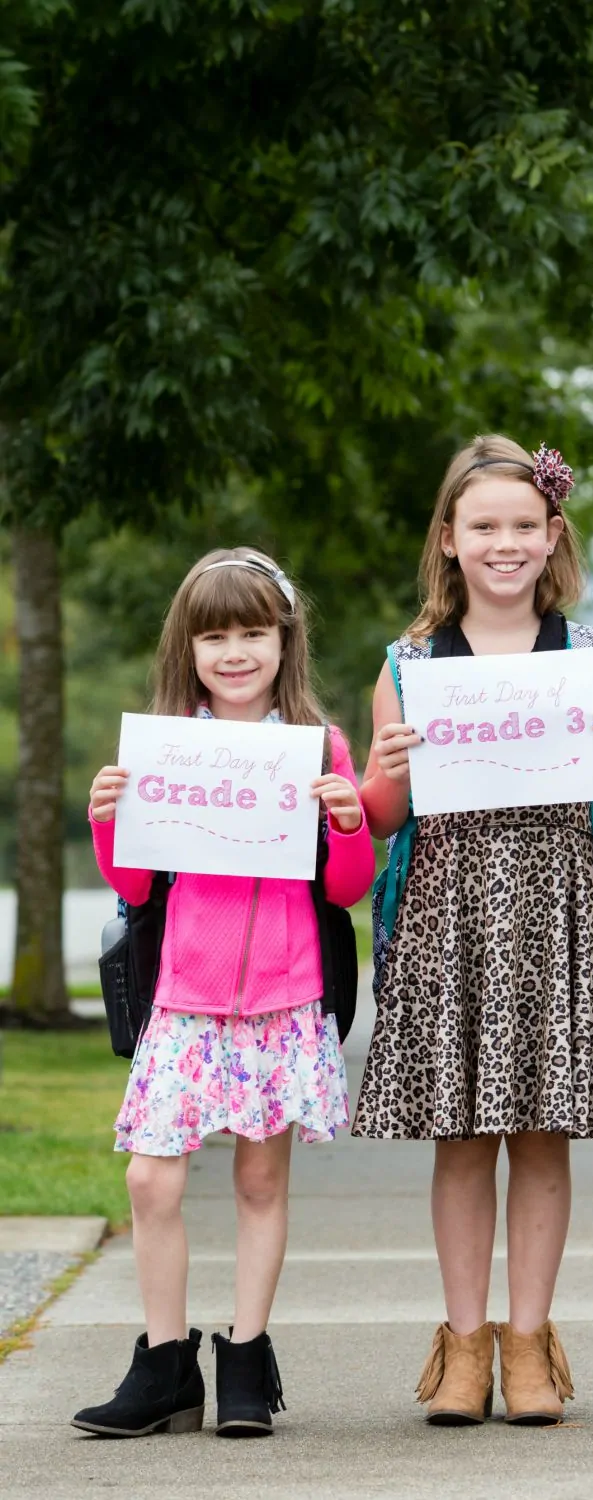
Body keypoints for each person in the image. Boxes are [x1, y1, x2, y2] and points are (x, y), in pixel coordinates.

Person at [353, 435, 593, 1426]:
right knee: (463, 1138)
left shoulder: (592, 656)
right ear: (449, 539)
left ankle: (529, 1345)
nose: (505, 543)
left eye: (524, 526)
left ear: (551, 535)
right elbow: (382, 817)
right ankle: (464, 1344)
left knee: (543, 1135)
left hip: (557, 908)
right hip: (448, 915)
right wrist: (384, 766)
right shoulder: (406, 663)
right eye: (484, 527)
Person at [73, 547, 375, 1440]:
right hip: (186, 1002)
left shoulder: (319, 748)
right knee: (152, 1181)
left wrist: (349, 821)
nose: (235, 651)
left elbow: (345, 887)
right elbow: (133, 887)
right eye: (216, 636)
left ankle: (246, 1358)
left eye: (253, 632)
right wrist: (107, 816)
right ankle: (164, 1365)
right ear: (189, 648)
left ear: (285, 641)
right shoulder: (167, 745)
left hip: (283, 1002)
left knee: (257, 1181)